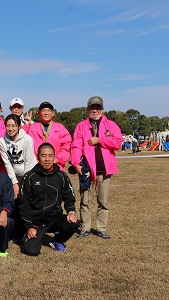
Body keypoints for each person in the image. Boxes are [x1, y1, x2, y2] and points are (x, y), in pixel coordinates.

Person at [71, 96, 122, 239]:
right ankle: (85, 227)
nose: (95, 110)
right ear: (88, 109)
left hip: (105, 171)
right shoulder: (81, 126)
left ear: (102, 109)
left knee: (103, 201)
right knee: (85, 201)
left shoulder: (110, 125)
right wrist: (76, 163)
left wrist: (100, 140)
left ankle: (101, 228)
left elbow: (117, 142)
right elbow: (76, 145)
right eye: (92, 107)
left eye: (98, 107)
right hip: (86, 170)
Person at [19, 143, 78, 256]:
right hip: (35, 222)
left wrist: (71, 212)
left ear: (54, 157)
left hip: (53, 219)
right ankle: (26, 236)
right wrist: (29, 226)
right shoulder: (29, 177)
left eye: (50, 156)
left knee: (73, 224)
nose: (47, 159)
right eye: (43, 155)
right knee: (31, 251)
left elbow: (69, 197)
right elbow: (23, 204)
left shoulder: (62, 176)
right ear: (38, 157)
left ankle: (57, 240)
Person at [0, 114, 36, 242]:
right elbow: (7, 163)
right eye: (8, 125)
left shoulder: (27, 140)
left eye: (13, 125)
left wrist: (23, 184)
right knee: (13, 203)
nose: (10, 128)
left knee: (25, 203)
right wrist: (14, 183)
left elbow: (29, 163)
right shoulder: (2, 141)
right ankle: (15, 233)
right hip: (13, 176)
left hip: (28, 174)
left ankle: (27, 231)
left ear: (19, 126)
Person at [23, 101, 72, 172]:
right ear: (38, 113)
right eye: (43, 110)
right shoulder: (32, 128)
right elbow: (22, 141)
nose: (46, 113)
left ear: (53, 113)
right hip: (36, 167)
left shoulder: (60, 128)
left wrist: (56, 160)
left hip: (56, 168)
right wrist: (26, 126)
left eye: (49, 110)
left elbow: (66, 147)